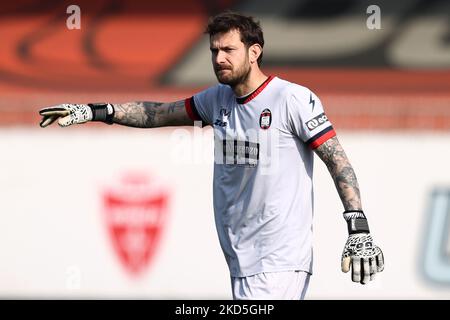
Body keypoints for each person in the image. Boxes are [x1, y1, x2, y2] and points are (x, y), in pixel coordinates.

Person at [38, 11, 384, 300]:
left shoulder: (290, 99)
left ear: (254, 52)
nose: (219, 59)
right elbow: (158, 113)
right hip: (241, 259)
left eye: (228, 50)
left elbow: (336, 158)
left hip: (278, 259)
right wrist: (97, 111)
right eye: (214, 51)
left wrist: (358, 227)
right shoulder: (217, 100)